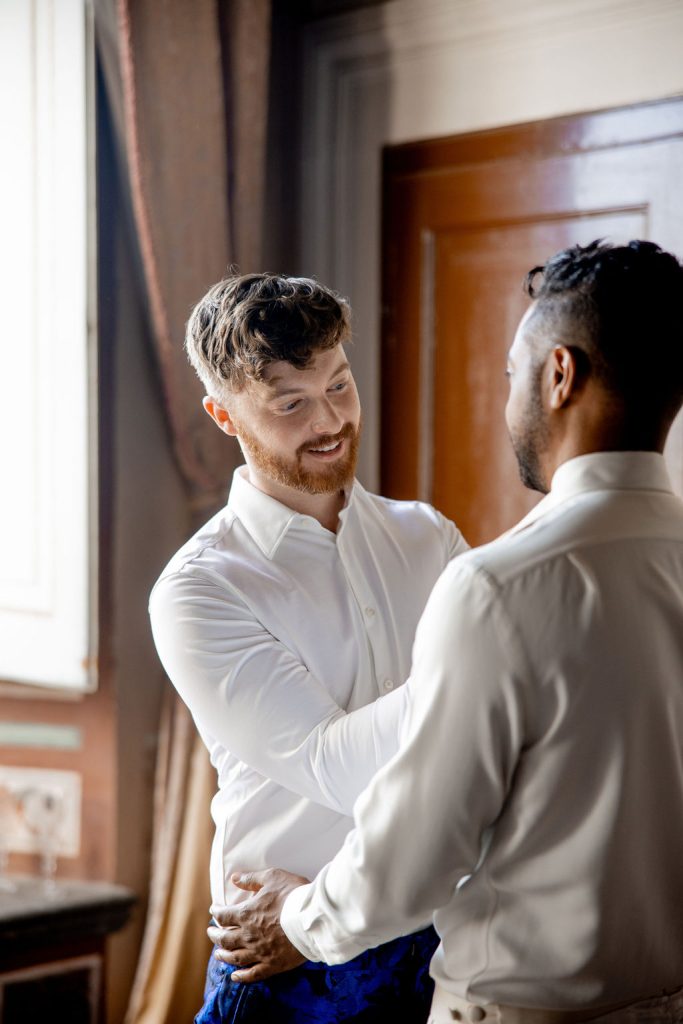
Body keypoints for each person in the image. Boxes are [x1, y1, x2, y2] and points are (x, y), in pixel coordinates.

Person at [208, 240, 683, 1023]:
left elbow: (416, 854)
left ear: (557, 375)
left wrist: (297, 920)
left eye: (510, 374)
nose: (506, 402)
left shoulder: (496, 587)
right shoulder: (205, 584)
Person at [149, 272, 469, 1023]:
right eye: (289, 403)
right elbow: (334, 764)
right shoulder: (199, 590)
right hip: (284, 960)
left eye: (339, 386)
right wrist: (481, 679)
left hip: (436, 941)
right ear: (222, 415)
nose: (329, 421)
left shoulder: (429, 538)